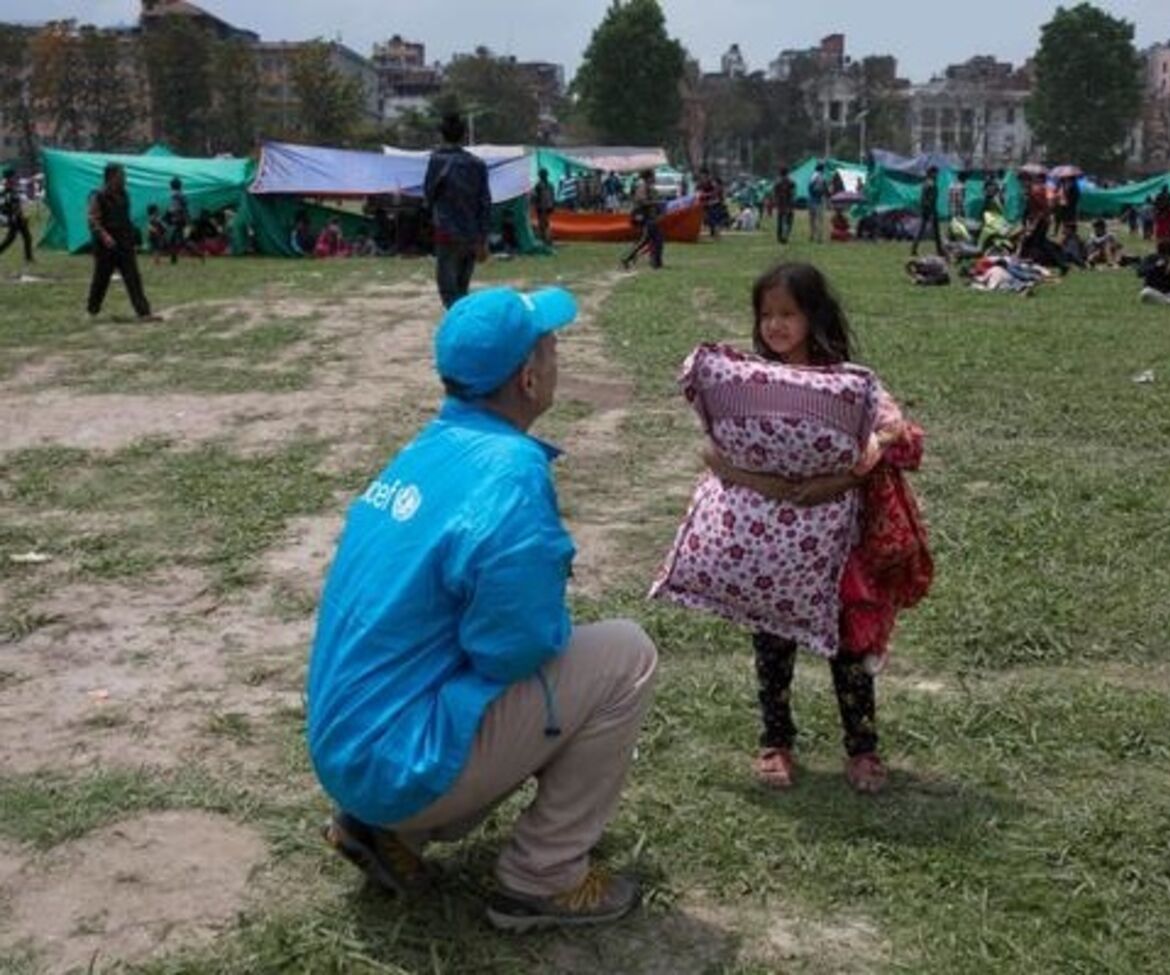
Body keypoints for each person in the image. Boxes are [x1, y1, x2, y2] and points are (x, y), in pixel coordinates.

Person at [309, 286, 658, 930]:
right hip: (397, 761)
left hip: (347, 749)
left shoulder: (426, 447)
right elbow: (516, 647)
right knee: (624, 656)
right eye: (552, 350)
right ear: (528, 377)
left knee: (467, 664)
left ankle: (387, 831)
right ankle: (542, 878)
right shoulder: (509, 472)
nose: (557, 362)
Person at [700, 262, 929, 794]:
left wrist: (859, 462)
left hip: (839, 548)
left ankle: (863, 749)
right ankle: (775, 742)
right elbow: (712, 446)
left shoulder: (849, 384)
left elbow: (904, 437)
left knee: (850, 649)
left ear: (814, 316)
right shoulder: (749, 384)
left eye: (788, 314)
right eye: (766, 316)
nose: (775, 326)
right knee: (773, 645)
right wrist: (755, 478)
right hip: (772, 549)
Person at [423, 113, 492, 310]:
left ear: (442, 135)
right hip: (471, 234)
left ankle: (458, 324)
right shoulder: (478, 164)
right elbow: (485, 202)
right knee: (462, 287)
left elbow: (429, 195)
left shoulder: (437, 161)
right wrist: (483, 238)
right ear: (463, 135)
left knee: (447, 287)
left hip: (446, 231)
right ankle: (463, 323)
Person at [86, 163, 158, 321]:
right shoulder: (98, 196)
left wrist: (134, 237)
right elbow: (93, 220)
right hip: (106, 245)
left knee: (133, 276)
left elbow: (125, 219)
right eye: (122, 175)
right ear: (111, 177)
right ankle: (92, 309)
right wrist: (105, 236)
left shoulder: (124, 194)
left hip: (124, 242)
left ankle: (144, 312)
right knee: (101, 278)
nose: (125, 179)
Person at [620, 169, 662, 270]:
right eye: (653, 176)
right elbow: (642, 202)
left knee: (656, 240)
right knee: (647, 241)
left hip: (651, 218)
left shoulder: (650, 188)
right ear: (648, 178)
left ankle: (656, 262)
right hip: (646, 218)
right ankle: (626, 258)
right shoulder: (642, 188)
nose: (655, 178)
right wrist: (656, 203)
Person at [0, 167, 34, 264]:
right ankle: (29, 258)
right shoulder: (4, 189)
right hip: (13, 218)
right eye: (13, 176)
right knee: (10, 239)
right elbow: (4, 206)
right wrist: (10, 216)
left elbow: (17, 202)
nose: (15, 177)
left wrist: (22, 214)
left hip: (18, 216)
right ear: (9, 177)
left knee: (27, 237)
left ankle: (29, 258)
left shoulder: (13, 186)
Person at [911, 165, 943, 257]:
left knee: (923, 231)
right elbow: (929, 199)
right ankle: (939, 250)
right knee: (934, 232)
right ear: (932, 173)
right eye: (936, 173)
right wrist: (931, 211)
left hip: (927, 210)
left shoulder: (926, 183)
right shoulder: (931, 184)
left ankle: (914, 249)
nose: (937, 175)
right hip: (930, 210)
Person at [532, 167, 556, 247]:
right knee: (544, 223)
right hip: (543, 207)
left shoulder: (543, 185)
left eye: (544, 174)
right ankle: (546, 240)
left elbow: (552, 196)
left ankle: (545, 240)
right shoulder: (539, 185)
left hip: (545, 207)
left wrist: (552, 205)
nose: (544, 175)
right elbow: (535, 197)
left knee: (544, 223)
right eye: (543, 174)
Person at [698, 167, 723, 238]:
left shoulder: (711, 182)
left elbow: (716, 191)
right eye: (701, 175)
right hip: (705, 202)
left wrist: (708, 195)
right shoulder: (701, 182)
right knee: (707, 218)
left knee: (713, 218)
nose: (701, 176)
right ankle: (713, 232)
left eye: (702, 174)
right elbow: (698, 191)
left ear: (705, 174)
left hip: (713, 202)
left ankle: (715, 233)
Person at [773, 166, 795, 245]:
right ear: (787, 173)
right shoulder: (791, 182)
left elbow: (775, 194)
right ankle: (785, 237)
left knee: (780, 221)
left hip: (781, 205)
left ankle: (779, 237)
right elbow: (793, 193)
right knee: (788, 222)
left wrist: (776, 202)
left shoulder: (777, 183)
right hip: (788, 205)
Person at [807, 163, 828, 243]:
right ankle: (819, 237)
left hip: (811, 199)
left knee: (812, 220)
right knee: (819, 220)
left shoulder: (812, 176)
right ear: (822, 169)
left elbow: (809, 187)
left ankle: (812, 235)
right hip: (818, 200)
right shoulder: (821, 177)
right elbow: (824, 189)